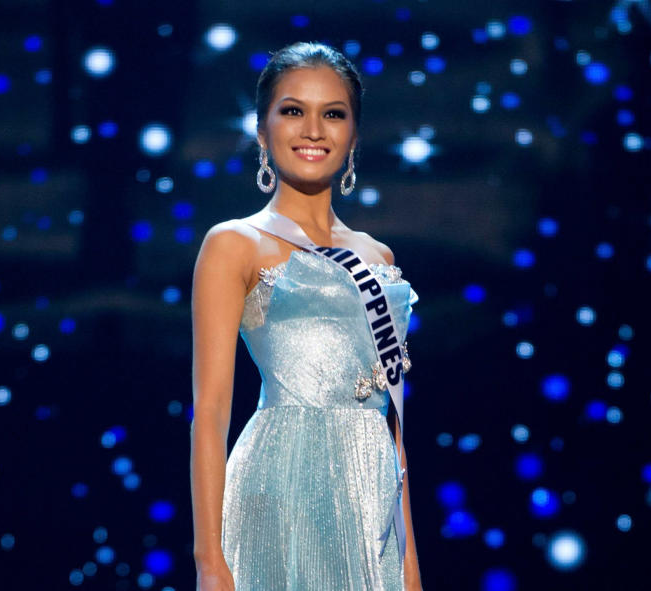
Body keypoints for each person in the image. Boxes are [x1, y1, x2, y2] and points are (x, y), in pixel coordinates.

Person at [190, 41, 423, 591]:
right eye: (293, 110)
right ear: (262, 130)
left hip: (373, 506)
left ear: (354, 135)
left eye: (333, 114)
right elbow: (211, 410)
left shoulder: (378, 258)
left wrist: (411, 571)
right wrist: (210, 563)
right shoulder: (234, 244)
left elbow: (393, 426)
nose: (313, 130)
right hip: (281, 492)